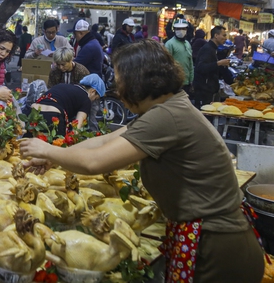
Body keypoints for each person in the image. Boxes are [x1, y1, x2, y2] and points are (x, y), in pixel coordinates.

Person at [20, 40, 264, 283]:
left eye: (119, 79)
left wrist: (48, 150)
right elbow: (103, 142)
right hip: (216, 239)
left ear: (138, 80)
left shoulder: (166, 115)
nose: (116, 87)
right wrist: (55, 156)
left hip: (218, 249)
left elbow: (95, 161)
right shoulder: (167, 108)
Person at [30, 74, 105, 136]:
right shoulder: (86, 99)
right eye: (95, 98)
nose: (93, 100)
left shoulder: (62, 85)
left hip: (33, 112)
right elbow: (76, 128)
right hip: (52, 116)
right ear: (92, 91)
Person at [193, 26, 230, 108]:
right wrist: (219, 63)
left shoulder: (214, 48)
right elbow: (200, 67)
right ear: (216, 35)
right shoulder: (208, 49)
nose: (225, 38)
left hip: (209, 88)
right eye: (223, 35)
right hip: (204, 89)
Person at [165, 18, 193, 95]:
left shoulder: (187, 44)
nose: (181, 30)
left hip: (186, 82)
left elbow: (190, 62)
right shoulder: (169, 44)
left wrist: (191, 79)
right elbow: (166, 64)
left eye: (183, 28)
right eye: (178, 29)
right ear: (174, 29)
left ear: (187, 29)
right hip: (175, 82)